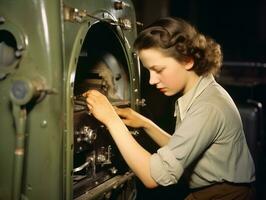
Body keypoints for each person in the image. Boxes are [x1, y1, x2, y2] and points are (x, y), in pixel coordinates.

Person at [83, 17, 255, 199]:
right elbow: (183, 146)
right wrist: (145, 124)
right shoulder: (201, 93)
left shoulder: (208, 106)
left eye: (159, 69)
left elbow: (152, 176)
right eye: (149, 71)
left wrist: (111, 119)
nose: (152, 80)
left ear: (187, 61)